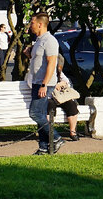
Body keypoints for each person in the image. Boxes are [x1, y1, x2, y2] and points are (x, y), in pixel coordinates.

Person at [25, 11, 63, 155]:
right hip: (36, 82)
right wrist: (29, 54)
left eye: (32, 23)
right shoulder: (39, 41)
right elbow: (38, 62)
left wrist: (44, 84)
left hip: (44, 83)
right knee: (40, 114)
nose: (30, 25)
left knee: (34, 113)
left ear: (40, 24)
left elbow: (51, 63)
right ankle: (43, 147)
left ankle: (57, 138)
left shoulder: (50, 40)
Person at [46, 61, 83, 141]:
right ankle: (50, 133)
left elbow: (67, 82)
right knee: (50, 106)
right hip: (49, 97)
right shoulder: (42, 71)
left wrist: (61, 83)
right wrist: (54, 86)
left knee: (72, 105)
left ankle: (72, 132)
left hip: (60, 97)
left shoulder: (58, 72)